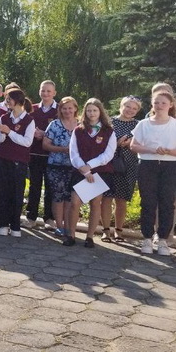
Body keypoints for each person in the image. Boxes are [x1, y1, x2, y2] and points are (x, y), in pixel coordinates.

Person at [65, 98, 116, 248]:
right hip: (80, 171)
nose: (92, 113)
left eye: (94, 110)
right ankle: (71, 235)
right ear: (84, 112)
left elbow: (108, 155)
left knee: (95, 203)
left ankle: (89, 237)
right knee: (75, 202)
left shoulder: (109, 131)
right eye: (89, 110)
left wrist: (90, 166)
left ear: (100, 111)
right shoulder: (78, 130)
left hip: (99, 172)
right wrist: (84, 169)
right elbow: (73, 153)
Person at [130, 91, 176, 256]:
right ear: (152, 104)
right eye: (156, 103)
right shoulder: (144, 124)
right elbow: (133, 146)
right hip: (148, 165)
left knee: (167, 203)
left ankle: (163, 239)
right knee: (148, 202)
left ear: (170, 105)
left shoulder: (175, 125)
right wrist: (151, 149)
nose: (160, 106)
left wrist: (169, 151)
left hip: (170, 167)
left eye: (163, 103)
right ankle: (147, 238)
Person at [0, 89, 35, 237]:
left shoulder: (29, 120)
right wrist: (2, 133)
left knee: (17, 193)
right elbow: (0, 140)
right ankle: (3, 224)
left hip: (19, 162)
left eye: (9, 99)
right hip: (3, 160)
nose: (7, 102)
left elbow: (27, 142)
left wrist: (9, 132)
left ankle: (15, 225)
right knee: (3, 192)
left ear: (17, 100)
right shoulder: (4, 117)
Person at [101, 96, 142, 243]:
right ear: (121, 106)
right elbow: (100, 141)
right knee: (106, 197)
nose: (130, 110)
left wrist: (132, 143)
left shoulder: (139, 125)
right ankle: (106, 230)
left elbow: (143, 143)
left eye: (134, 108)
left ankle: (118, 231)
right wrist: (116, 144)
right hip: (109, 164)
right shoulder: (109, 122)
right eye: (127, 106)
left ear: (138, 110)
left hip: (129, 166)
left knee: (121, 199)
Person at [43, 97, 79, 238]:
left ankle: (69, 226)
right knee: (58, 196)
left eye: (70, 108)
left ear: (75, 108)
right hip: (56, 166)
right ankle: (59, 226)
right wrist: (62, 149)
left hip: (75, 167)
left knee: (70, 197)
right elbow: (45, 145)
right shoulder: (54, 125)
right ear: (60, 110)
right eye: (64, 108)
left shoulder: (81, 125)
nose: (67, 111)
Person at [25, 80, 58, 229]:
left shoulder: (59, 110)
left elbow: (63, 131)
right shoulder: (32, 109)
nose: (45, 94)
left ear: (54, 93)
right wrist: (34, 133)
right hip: (34, 153)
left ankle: (49, 218)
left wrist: (44, 134)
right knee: (34, 186)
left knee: (50, 187)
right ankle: (31, 217)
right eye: (43, 90)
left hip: (52, 154)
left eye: (48, 91)